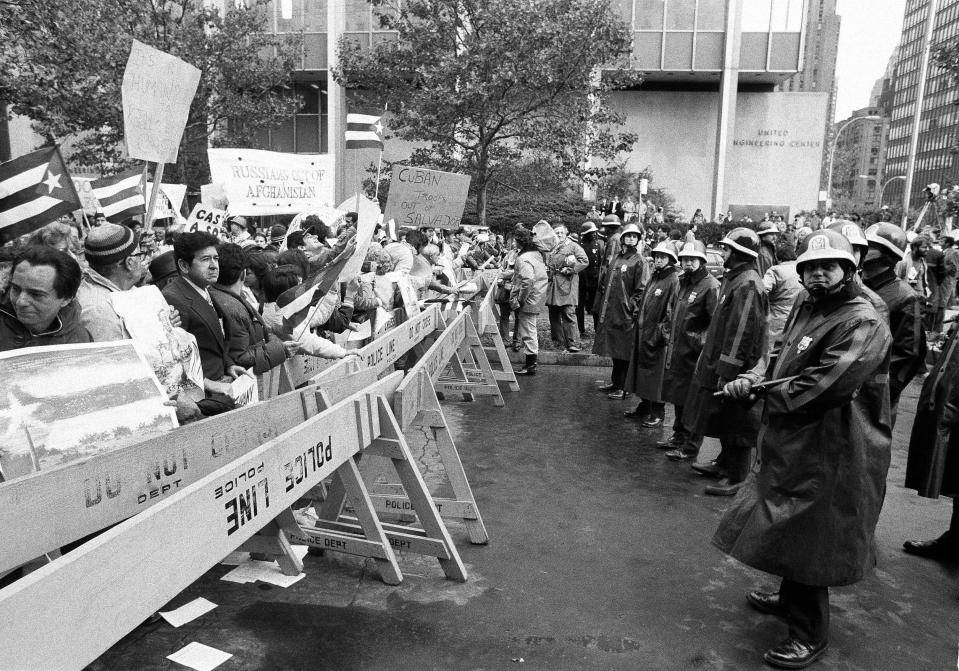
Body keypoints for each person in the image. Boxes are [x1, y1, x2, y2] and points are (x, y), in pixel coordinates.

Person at [713, 229, 891, 670]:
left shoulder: (862, 318)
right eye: (810, 267)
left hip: (833, 444)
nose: (817, 274)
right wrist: (756, 379)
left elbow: (826, 386)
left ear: (848, 269)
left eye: (827, 266)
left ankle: (808, 634)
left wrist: (761, 395)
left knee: (813, 534)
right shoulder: (810, 304)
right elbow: (782, 360)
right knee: (788, 523)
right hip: (796, 441)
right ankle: (789, 599)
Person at [688, 228, 767, 496]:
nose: (723, 253)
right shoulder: (736, 279)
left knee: (737, 422)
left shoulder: (748, 283)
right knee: (724, 417)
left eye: (727, 249)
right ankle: (724, 464)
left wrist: (728, 370)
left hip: (738, 368)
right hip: (721, 362)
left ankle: (737, 477)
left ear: (739, 253)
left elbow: (742, 332)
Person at [162, 232, 248, 416]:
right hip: (202, 399)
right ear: (184, 265)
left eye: (216, 258)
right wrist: (209, 384)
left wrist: (228, 365)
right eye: (205, 259)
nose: (214, 265)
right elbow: (174, 360)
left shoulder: (205, 289)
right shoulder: (173, 298)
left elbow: (214, 340)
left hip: (219, 386)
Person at [661, 240, 720, 460]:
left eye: (693, 259)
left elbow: (715, 322)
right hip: (679, 349)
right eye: (685, 259)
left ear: (702, 261)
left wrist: (700, 343)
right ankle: (678, 435)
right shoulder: (683, 282)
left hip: (695, 352)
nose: (688, 263)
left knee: (693, 400)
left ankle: (690, 445)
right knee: (678, 394)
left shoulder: (710, 285)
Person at [861, 223, 926, 421]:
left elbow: (909, 354)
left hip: (874, 396)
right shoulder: (857, 286)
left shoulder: (905, 297)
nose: (861, 251)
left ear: (888, 254)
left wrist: (881, 390)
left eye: (869, 246)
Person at [210, 243, 294, 375]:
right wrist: (280, 349)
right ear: (243, 274)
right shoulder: (232, 309)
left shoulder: (225, 297)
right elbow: (241, 358)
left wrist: (276, 341)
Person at [624, 241, 680, 426]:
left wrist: (660, 334)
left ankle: (658, 412)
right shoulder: (655, 277)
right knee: (643, 372)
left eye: (663, 257)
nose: (658, 260)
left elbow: (672, 313)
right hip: (644, 334)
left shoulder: (673, 280)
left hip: (657, 339)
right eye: (656, 256)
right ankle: (645, 406)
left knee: (657, 376)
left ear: (671, 259)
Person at [594, 222, 649, 398]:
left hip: (626, 315)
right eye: (628, 235)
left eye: (634, 236)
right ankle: (616, 382)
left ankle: (623, 387)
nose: (631, 238)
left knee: (624, 352)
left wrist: (631, 310)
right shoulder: (617, 257)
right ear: (623, 237)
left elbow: (641, 289)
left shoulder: (639, 261)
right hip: (612, 311)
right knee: (614, 350)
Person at [0, 245, 90, 351]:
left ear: (66, 299)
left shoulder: (79, 342)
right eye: (15, 289)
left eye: (36, 295)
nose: (20, 302)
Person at [74, 223, 148, 341]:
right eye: (140, 255)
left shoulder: (122, 289)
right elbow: (114, 358)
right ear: (130, 263)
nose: (143, 260)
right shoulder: (99, 313)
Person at [509, 225, 548, 375]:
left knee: (528, 331)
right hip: (537, 297)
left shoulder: (523, 258)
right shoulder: (536, 254)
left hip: (528, 300)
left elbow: (527, 279)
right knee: (530, 329)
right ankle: (531, 364)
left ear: (520, 241)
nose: (513, 243)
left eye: (514, 240)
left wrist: (520, 299)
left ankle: (530, 365)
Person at [545, 224, 588, 353]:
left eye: (561, 233)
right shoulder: (552, 248)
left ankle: (573, 343)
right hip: (554, 283)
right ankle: (558, 341)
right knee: (553, 312)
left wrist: (570, 269)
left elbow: (584, 261)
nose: (558, 235)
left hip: (567, 283)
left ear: (566, 233)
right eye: (556, 232)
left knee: (568, 312)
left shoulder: (573, 246)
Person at [761, 244, 802, 351]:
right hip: (799, 316)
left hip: (777, 318)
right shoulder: (801, 268)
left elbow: (762, 290)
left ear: (778, 257)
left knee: (772, 350)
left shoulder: (775, 270)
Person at [576, 222, 605, 336]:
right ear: (585, 233)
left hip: (594, 278)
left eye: (594, 232)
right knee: (579, 306)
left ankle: (597, 329)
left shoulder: (598, 244)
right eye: (591, 232)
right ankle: (580, 328)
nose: (594, 234)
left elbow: (599, 262)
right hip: (582, 278)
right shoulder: (579, 245)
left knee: (595, 305)